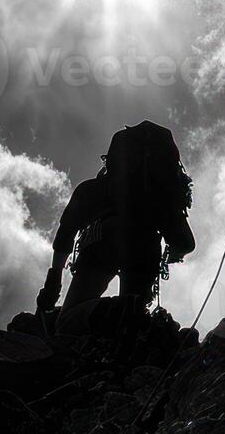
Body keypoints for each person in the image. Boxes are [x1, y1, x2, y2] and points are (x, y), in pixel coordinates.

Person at [35, 122, 196, 329]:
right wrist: (174, 253)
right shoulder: (158, 194)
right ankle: (130, 310)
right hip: (145, 246)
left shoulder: (92, 190)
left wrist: (53, 283)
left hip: (101, 240)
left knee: (67, 322)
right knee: (133, 317)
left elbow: (65, 236)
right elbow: (185, 243)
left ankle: (119, 309)